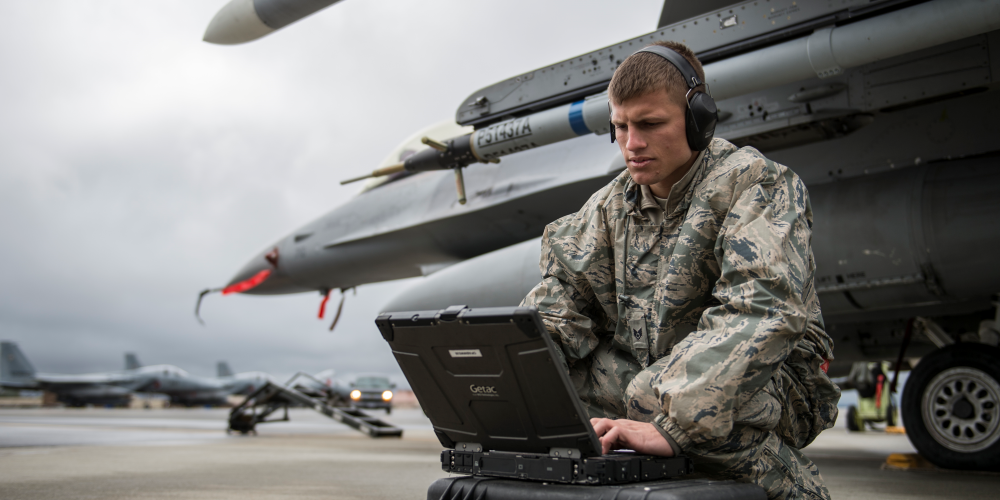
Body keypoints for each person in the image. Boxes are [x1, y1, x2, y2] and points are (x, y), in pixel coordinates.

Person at [520, 41, 840, 499]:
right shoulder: (611, 206)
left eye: (650, 124)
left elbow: (760, 311)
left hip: (775, 377)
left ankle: (797, 491)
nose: (632, 144)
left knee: (656, 395)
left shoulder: (754, 182)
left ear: (698, 120)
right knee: (561, 392)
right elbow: (560, 305)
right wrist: (505, 384)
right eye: (620, 127)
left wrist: (671, 422)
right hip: (650, 376)